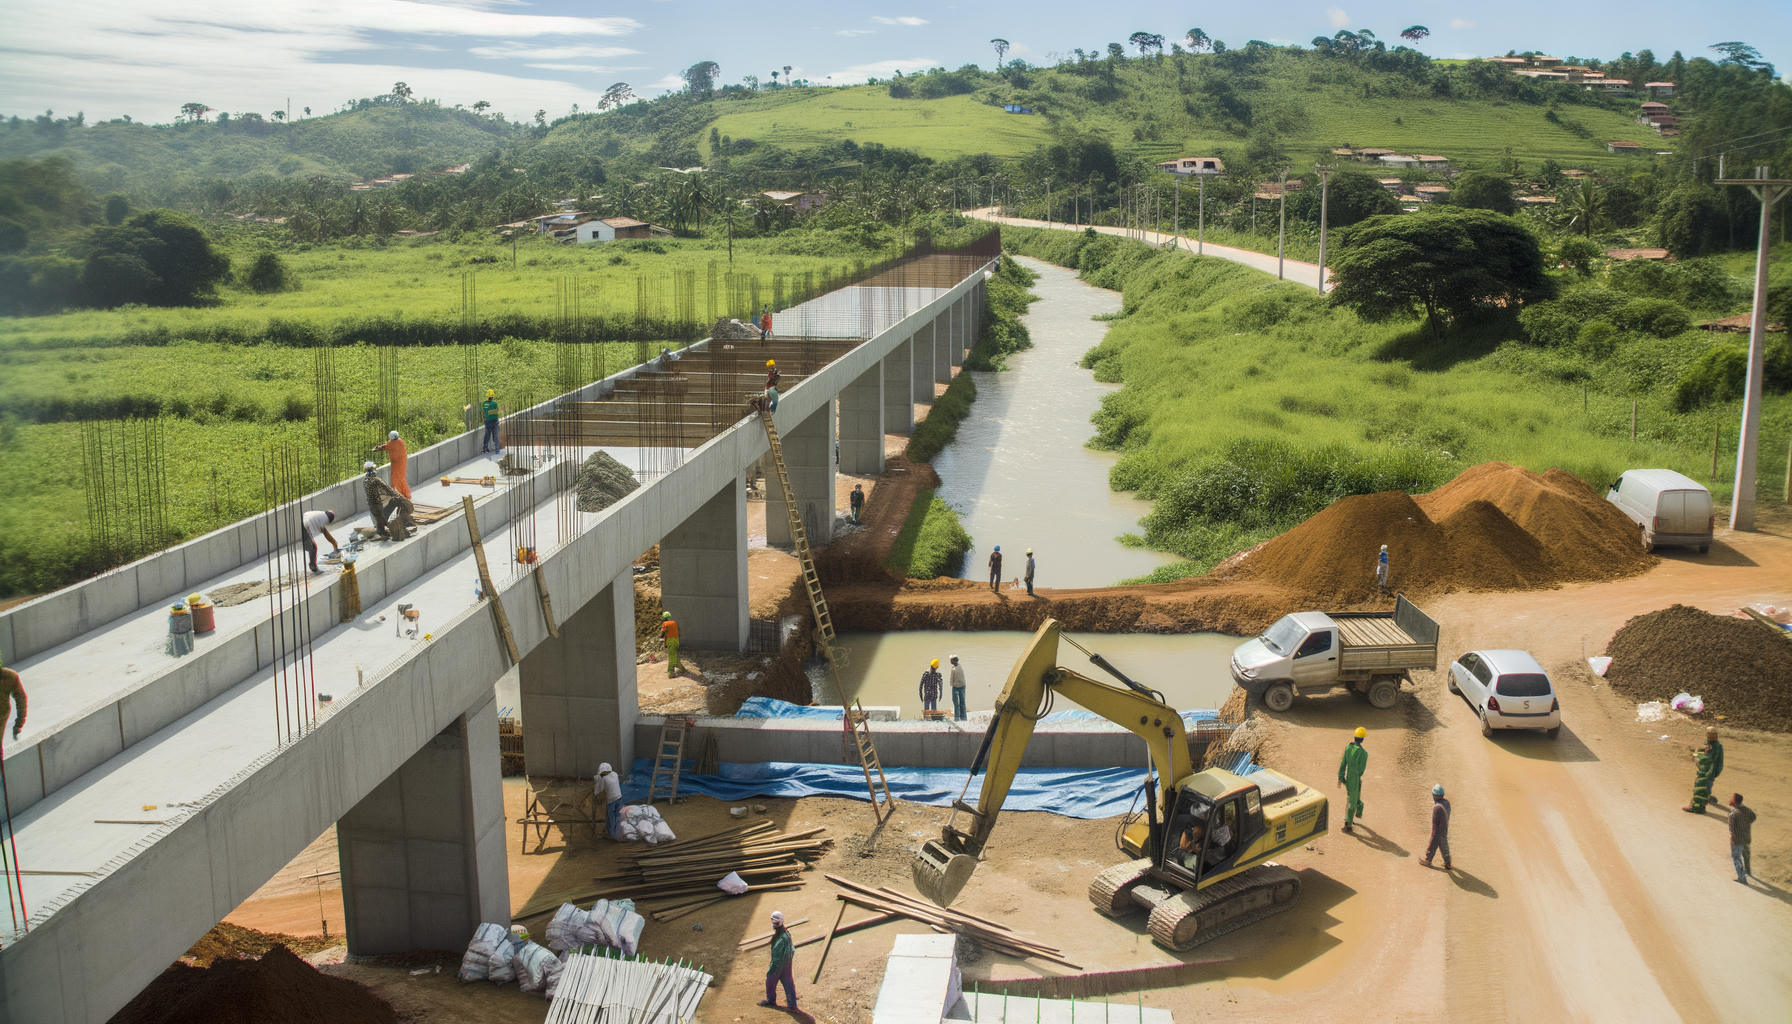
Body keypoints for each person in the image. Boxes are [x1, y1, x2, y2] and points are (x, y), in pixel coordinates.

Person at [362, 462, 417, 539]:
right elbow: (388, 490)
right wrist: (398, 496)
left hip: (371, 505)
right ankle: (400, 526)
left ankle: (381, 532)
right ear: (373, 470)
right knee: (394, 511)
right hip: (379, 504)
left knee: (379, 520)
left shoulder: (365, 481)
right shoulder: (376, 480)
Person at [762, 909, 797, 1010]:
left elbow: (777, 958)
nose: (774, 925)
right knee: (789, 984)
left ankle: (771, 1001)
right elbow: (792, 949)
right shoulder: (786, 933)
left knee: (770, 982)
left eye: (775, 923)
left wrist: (773, 968)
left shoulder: (782, 938)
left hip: (779, 965)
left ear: (780, 922)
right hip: (786, 963)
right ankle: (792, 1005)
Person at [1338, 726, 1368, 834]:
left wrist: (1341, 777)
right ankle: (1348, 823)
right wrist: (1356, 777)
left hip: (1348, 777)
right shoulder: (1363, 753)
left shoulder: (1348, 748)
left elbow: (1343, 764)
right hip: (1355, 779)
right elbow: (1361, 770)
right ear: (1363, 739)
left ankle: (1348, 817)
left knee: (1350, 798)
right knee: (1353, 802)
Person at [1421, 783, 1452, 869]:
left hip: (1438, 831)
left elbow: (1434, 828)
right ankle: (1448, 862)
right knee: (1444, 845)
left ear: (1434, 796)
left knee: (1434, 842)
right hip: (1445, 828)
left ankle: (1427, 860)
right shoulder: (1447, 803)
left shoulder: (1437, 807)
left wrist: (1433, 836)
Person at [373, 430, 410, 499]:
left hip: (398, 463)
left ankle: (404, 495)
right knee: (399, 478)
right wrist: (380, 447)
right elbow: (388, 445)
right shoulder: (400, 441)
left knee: (398, 479)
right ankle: (404, 495)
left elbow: (386, 446)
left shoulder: (393, 443)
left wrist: (378, 448)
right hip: (400, 462)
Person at [1727, 793, 1756, 883]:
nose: (1730, 800)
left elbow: (1731, 830)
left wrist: (1732, 840)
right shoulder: (1748, 810)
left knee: (1736, 857)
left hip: (1738, 839)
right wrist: (1745, 825)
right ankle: (1748, 871)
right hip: (1747, 837)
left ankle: (1742, 878)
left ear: (1735, 802)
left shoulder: (1733, 814)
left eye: (1731, 798)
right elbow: (1753, 818)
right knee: (1746, 855)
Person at [301, 509, 339, 575]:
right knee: (313, 547)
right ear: (330, 520)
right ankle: (314, 568)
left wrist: (334, 542)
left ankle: (312, 565)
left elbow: (325, 532)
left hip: (305, 520)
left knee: (311, 546)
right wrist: (334, 543)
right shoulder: (325, 519)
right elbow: (326, 533)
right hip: (307, 523)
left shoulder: (321, 515)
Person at [1685, 738, 1717, 813]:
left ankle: (1695, 808)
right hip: (1705, 778)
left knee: (1698, 793)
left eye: (1707, 747)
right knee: (1703, 794)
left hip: (1702, 778)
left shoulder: (1706, 758)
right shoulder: (1709, 758)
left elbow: (1697, 756)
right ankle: (1701, 808)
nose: (1705, 748)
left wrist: (1694, 752)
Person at [596, 763, 623, 840]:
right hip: (619, 797)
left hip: (611, 801)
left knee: (611, 817)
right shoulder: (615, 774)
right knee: (617, 815)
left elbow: (600, 789)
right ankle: (617, 832)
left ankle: (613, 835)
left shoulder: (603, 779)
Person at [1, 661, 26, 741]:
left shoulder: (9, 676)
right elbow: (21, 698)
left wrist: (19, 723)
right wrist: (19, 724)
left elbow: (21, 698)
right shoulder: (10, 675)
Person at [660, 611, 681, 677]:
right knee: (675, 654)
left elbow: (662, 634)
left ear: (664, 618)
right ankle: (681, 668)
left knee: (671, 656)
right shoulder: (674, 623)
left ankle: (671, 672)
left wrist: (660, 637)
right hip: (676, 640)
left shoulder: (665, 623)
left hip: (671, 641)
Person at [480, 389, 501, 454]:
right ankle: (497, 450)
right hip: (494, 421)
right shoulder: (494, 403)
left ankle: (485, 449)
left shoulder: (484, 404)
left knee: (487, 436)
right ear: (492, 397)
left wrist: (485, 419)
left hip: (487, 422)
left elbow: (483, 413)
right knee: (495, 436)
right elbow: (496, 411)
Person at [948, 655, 967, 721]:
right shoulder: (960, 666)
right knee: (962, 702)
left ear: (953, 661)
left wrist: (952, 685)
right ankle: (964, 717)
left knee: (956, 702)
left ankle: (956, 718)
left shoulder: (954, 669)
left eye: (951, 660)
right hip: (963, 686)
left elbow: (952, 679)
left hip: (956, 687)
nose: (950, 661)